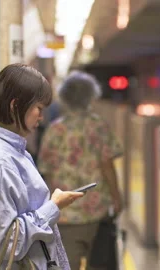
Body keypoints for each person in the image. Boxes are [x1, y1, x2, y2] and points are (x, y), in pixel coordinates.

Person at [0, 63, 84, 270]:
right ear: (14, 106)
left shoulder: (9, 150)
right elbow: (9, 245)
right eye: (38, 108)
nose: (42, 117)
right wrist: (53, 207)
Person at [38, 70, 123, 270]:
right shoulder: (99, 126)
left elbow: (46, 171)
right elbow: (107, 166)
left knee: (68, 264)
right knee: (100, 262)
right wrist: (117, 198)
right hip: (97, 211)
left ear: (65, 97)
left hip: (65, 213)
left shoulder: (55, 129)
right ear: (91, 96)